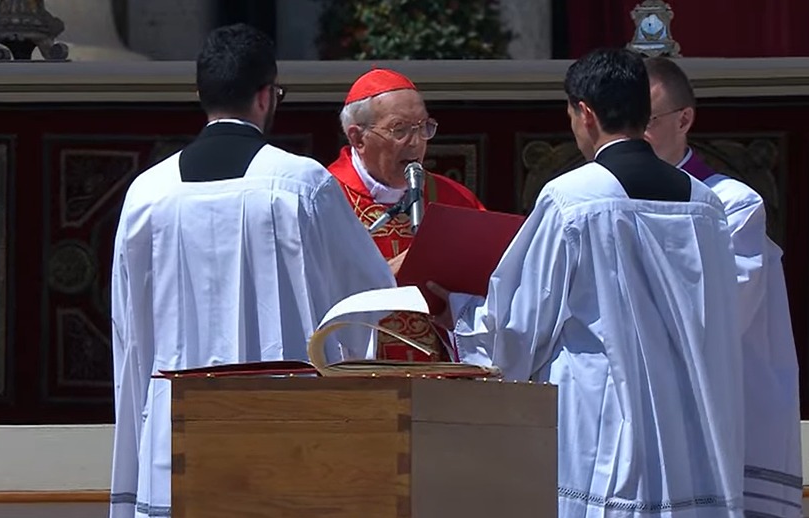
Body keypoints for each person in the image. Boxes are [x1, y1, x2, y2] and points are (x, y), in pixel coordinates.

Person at [429, 48, 745, 517]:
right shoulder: (705, 204)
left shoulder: (573, 198)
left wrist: (457, 308)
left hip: (606, 421)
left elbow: (520, 325)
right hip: (691, 423)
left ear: (586, 113)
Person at [109, 24, 395, 518]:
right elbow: (368, 306)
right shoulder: (300, 185)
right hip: (287, 429)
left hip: (175, 434)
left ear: (201, 94)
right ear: (266, 96)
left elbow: (129, 332)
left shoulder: (147, 194)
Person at [644, 56, 804, 517]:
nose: (635, 135)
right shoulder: (608, 198)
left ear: (684, 119)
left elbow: (720, 313)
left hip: (719, 417)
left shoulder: (730, 205)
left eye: (648, 121)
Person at [327, 68, 485, 362]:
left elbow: (493, 285)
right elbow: (310, 291)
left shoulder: (454, 199)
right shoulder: (324, 199)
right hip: (356, 377)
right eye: (400, 129)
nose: (416, 142)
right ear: (357, 138)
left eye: (423, 127)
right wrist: (385, 274)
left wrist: (461, 307)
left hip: (440, 382)